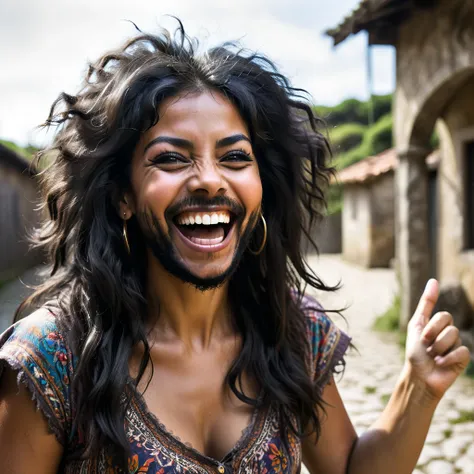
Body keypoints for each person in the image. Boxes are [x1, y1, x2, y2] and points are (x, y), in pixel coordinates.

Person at [0, 23, 469, 474]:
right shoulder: (51, 360)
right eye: (171, 158)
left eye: (235, 157)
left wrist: (417, 389)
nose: (209, 178)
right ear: (123, 196)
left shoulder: (289, 331)